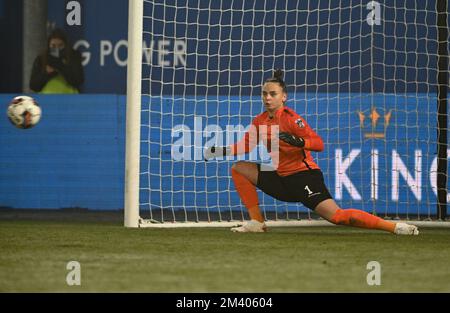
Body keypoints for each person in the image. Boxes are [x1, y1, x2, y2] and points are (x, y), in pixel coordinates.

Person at [204, 69, 419, 235]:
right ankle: (257, 222)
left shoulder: (292, 119)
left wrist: (298, 141)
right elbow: (245, 147)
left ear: (283, 97)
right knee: (239, 168)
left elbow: (318, 144)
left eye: (273, 94)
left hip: (303, 177)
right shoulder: (259, 121)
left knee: (338, 217)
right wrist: (218, 151)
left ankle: (394, 227)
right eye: (264, 94)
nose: (267, 98)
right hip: (281, 178)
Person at [30, 28, 84, 94]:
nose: (56, 49)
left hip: (69, 99)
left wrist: (61, 67)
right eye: (53, 45)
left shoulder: (73, 57)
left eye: (60, 45)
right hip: (47, 99)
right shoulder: (41, 58)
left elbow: (78, 80)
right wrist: (47, 74)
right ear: (48, 45)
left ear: (65, 45)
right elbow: (33, 86)